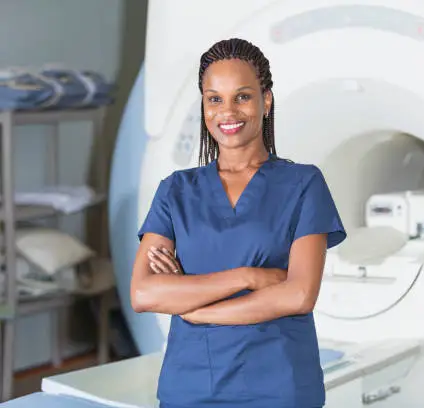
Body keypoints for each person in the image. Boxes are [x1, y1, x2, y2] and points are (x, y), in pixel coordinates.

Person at [130, 38, 347, 408]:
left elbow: (298, 294)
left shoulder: (303, 184)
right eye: (214, 99)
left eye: (242, 96)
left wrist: (193, 307)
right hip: (191, 385)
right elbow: (145, 294)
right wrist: (247, 276)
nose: (227, 111)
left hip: (280, 384)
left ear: (266, 101)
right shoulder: (176, 191)